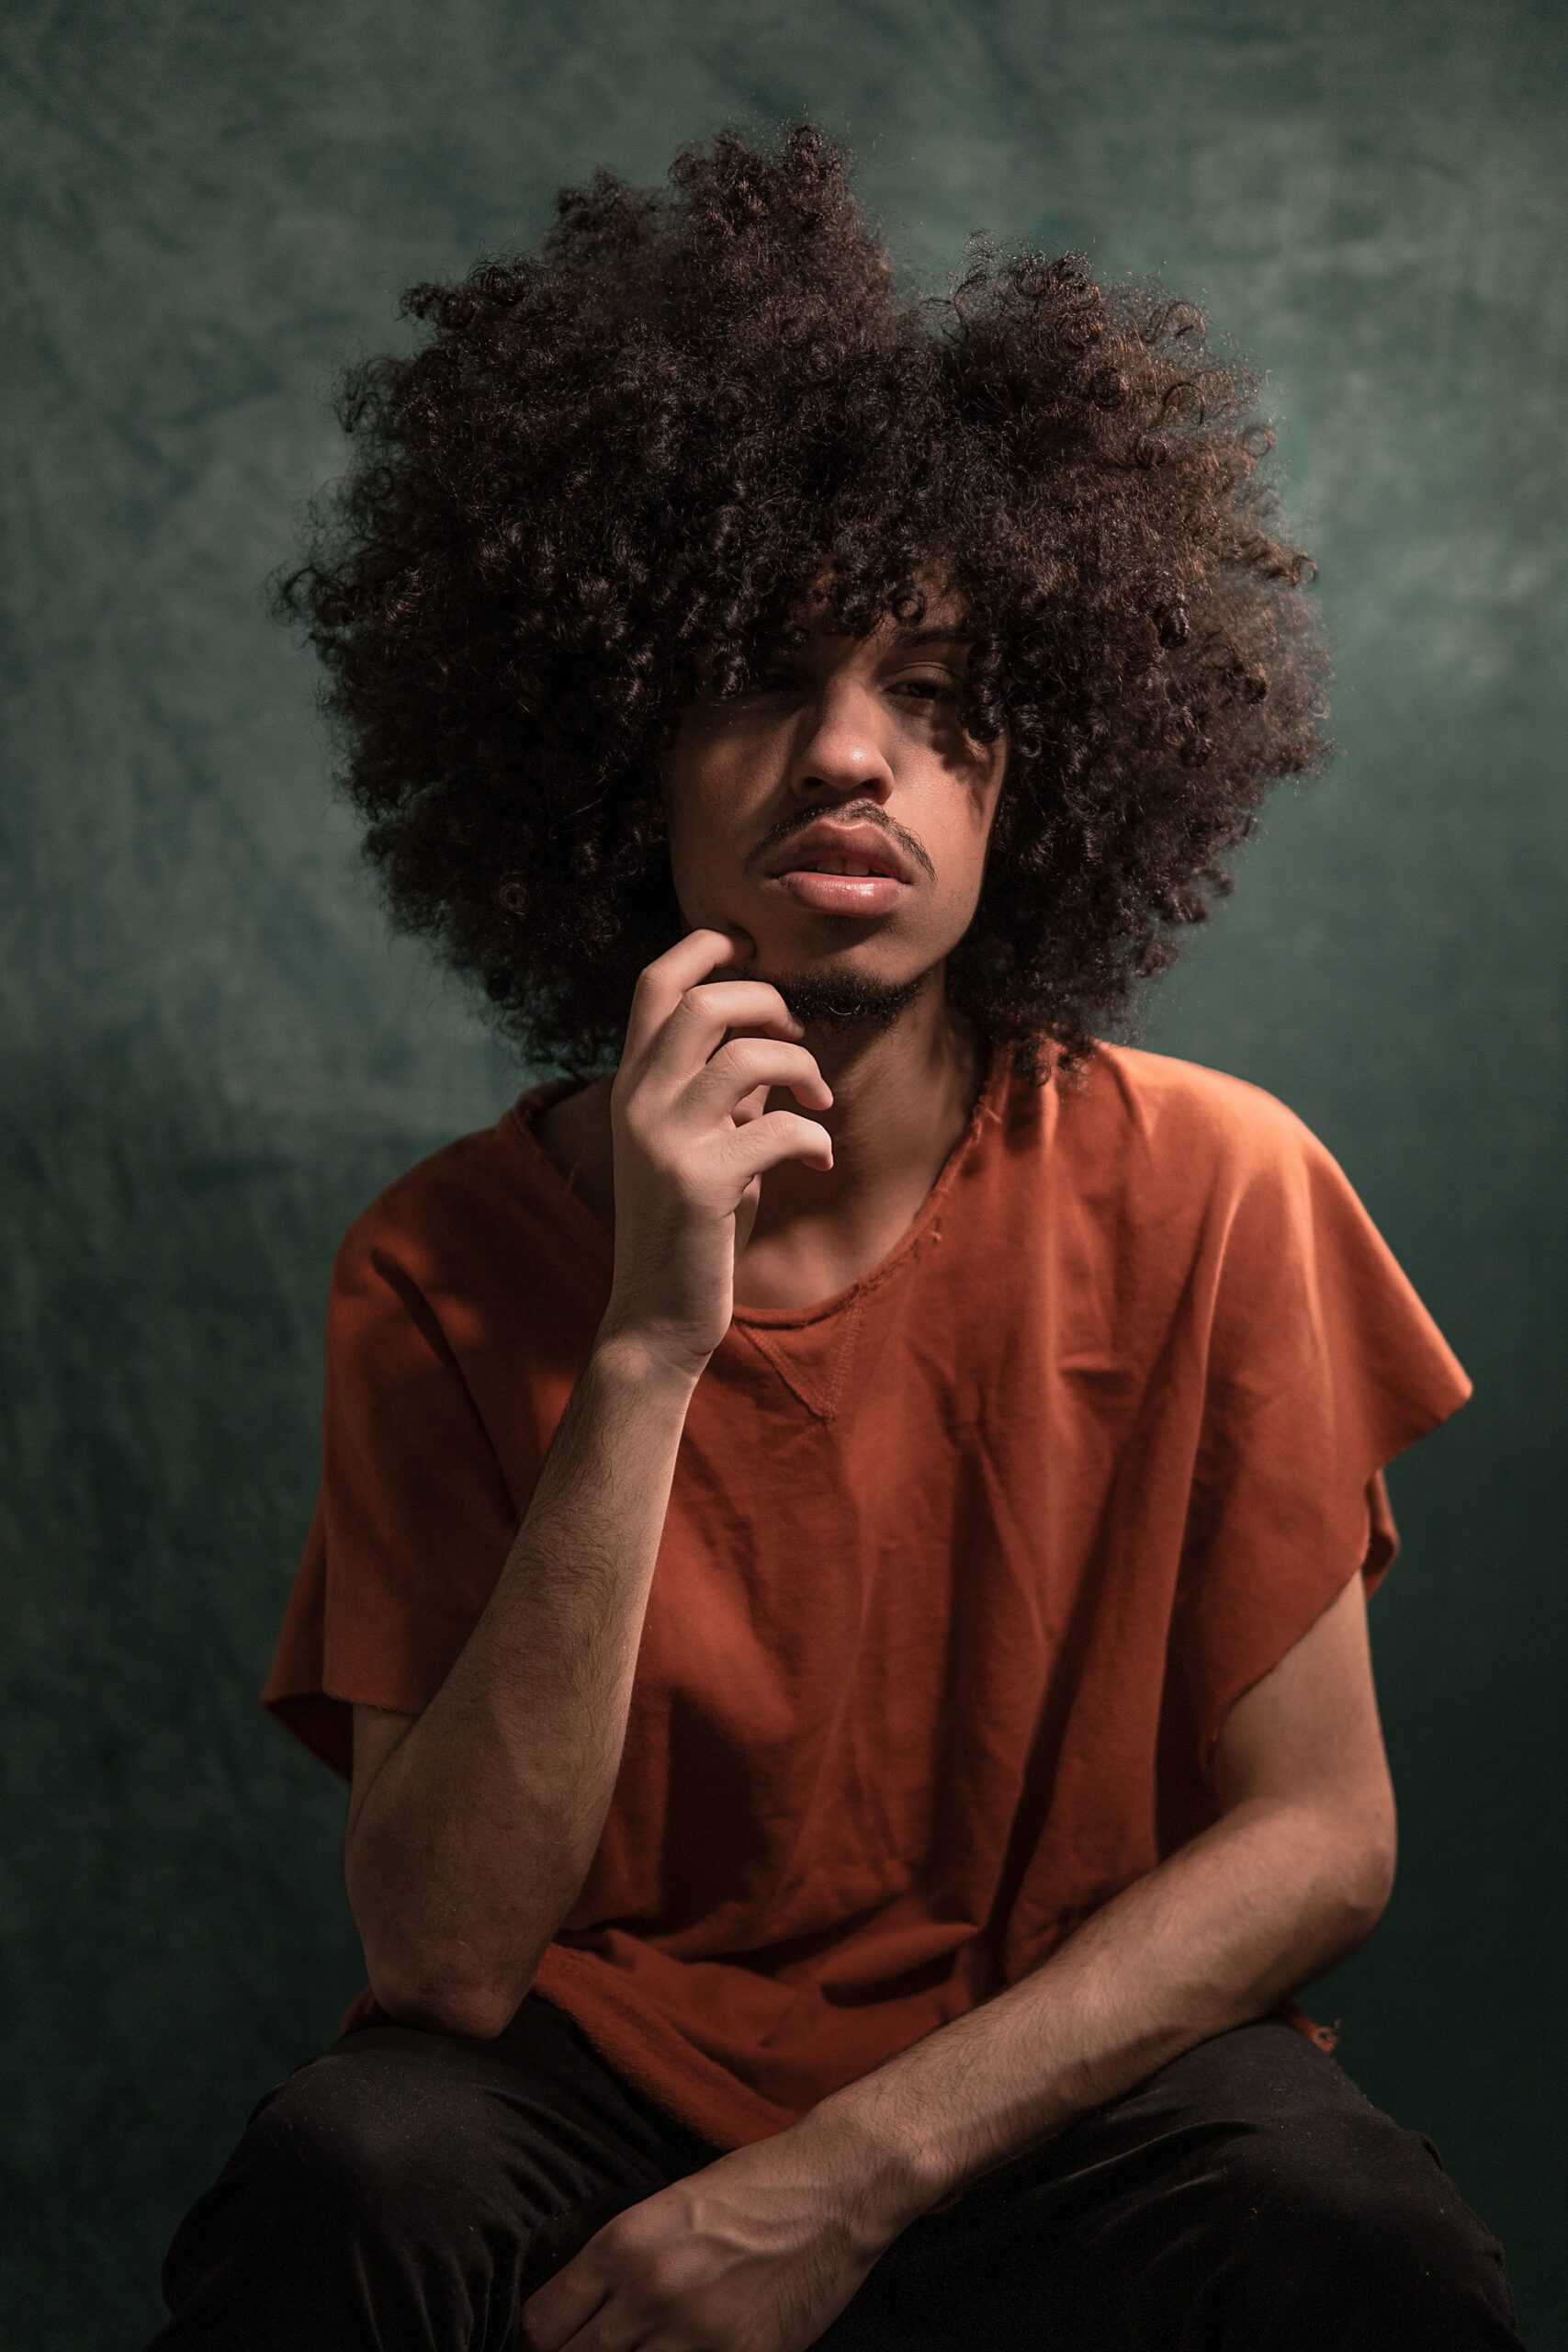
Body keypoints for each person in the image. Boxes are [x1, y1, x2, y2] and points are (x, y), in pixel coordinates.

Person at [148, 120, 1526, 2349]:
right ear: (622, 751)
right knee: (353, 2172)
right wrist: (641, 1341)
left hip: (1058, 2079)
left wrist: (839, 2177)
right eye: (761, 677)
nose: (847, 755)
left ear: (1026, 778)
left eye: (934, 694)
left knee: (1346, 2231)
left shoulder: (1217, 1183)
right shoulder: (440, 1258)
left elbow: (1318, 1839)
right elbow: (441, 1959)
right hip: (585, 2078)